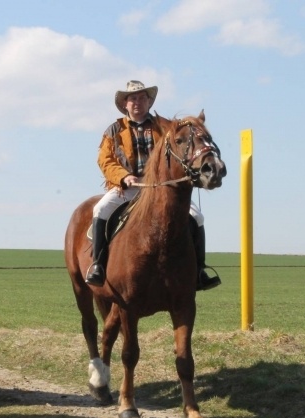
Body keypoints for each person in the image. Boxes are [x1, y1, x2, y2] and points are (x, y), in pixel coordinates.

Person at [87, 80, 221, 291]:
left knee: (197, 217)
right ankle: (97, 266)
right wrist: (124, 177)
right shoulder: (114, 130)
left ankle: (199, 271)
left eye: (142, 98)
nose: (137, 102)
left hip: (160, 188)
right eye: (133, 98)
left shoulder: (167, 127)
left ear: (149, 101)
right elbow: (105, 160)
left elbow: (181, 152)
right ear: (125, 104)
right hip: (128, 187)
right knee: (100, 209)